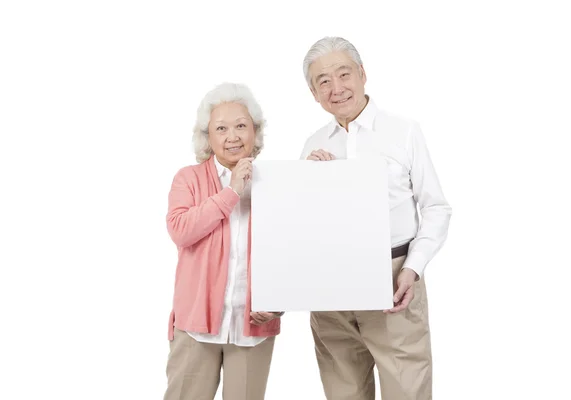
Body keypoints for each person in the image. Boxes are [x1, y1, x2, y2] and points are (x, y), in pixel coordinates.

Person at [300, 37, 452, 400]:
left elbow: (436, 208)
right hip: (330, 288)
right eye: (323, 81)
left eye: (343, 74)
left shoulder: (403, 131)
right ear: (313, 92)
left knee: (407, 389)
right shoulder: (312, 144)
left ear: (363, 74)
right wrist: (307, 182)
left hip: (393, 278)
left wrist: (412, 269)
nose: (336, 89)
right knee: (343, 390)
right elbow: (302, 224)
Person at [163, 82, 282, 400]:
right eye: (222, 128)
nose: (233, 136)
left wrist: (279, 304)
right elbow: (181, 230)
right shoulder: (188, 178)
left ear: (255, 132)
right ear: (207, 136)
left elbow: (293, 252)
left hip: (252, 328)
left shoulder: (276, 181)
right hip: (195, 326)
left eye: (242, 126)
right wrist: (231, 193)